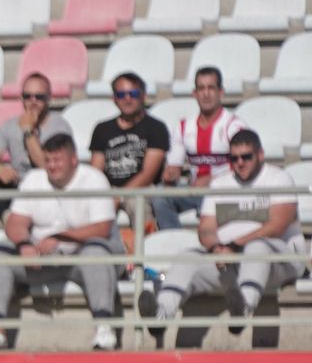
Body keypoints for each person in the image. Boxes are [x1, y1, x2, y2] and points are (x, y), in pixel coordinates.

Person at [145, 130, 308, 340]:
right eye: (234, 158)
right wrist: (216, 248)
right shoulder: (221, 184)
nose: (240, 163)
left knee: (257, 247)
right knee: (188, 256)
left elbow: (277, 225)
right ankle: (161, 314)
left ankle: (243, 308)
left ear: (260, 154)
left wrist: (234, 245)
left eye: (246, 157)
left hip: (280, 262)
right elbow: (205, 228)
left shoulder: (278, 178)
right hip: (231, 263)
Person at [0, 133, 124, 352]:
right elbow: (15, 222)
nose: (52, 166)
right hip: (43, 261)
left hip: (83, 259)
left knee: (95, 252)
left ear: (73, 160)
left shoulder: (94, 179)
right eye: (48, 160)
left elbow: (102, 229)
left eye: (57, 160)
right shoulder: (34, 179)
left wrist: (60, 238)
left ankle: (104, 327)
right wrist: (24, 244)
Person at [154, 67, 247, 231]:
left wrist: (213, 179)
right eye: (201, 88)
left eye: (211, 88)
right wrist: (170, 174)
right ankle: (173, 244)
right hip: (195, 191)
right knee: (160, 196)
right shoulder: (184, 127)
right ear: (194, 94)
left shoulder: (234, 126)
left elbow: (246, 166)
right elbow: (174, 165)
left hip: (227, 192)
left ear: (221, 92)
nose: (206, 94)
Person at [0, 73, 73, 219]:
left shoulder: (59, 126)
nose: (33, 101)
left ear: (49, 98)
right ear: (21, 98)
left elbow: (45, 165)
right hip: (19, 185)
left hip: (48, 186)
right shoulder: (10, 126)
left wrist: (28, 131)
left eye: (39, 97)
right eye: (28, 96)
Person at [89, 72, 170, 202]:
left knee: (140, 208)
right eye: (121, 95)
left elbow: (147, 175)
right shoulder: (102, 129)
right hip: (108, 191)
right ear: (114, 98)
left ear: (143, 96)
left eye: (133, 94)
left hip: (142, 191)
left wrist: (119, 197)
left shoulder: (157, 128)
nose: (127, 99)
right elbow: (95, 173)